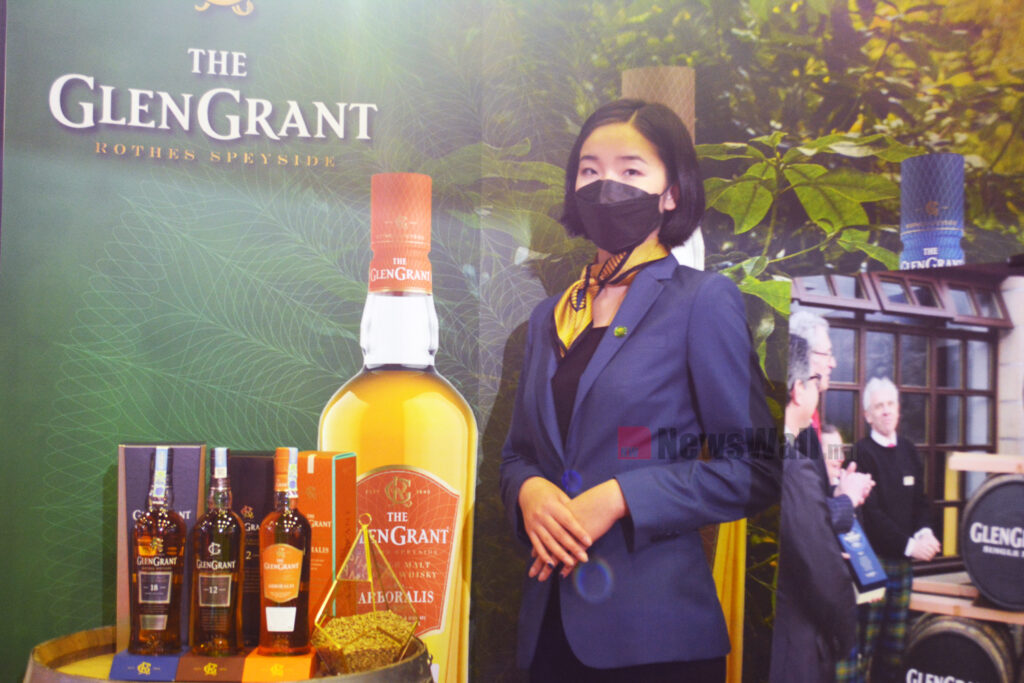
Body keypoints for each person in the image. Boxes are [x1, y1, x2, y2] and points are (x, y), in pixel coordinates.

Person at [499, 99, 779, 682]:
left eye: (631, 170)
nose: (606, 186)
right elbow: (517, 455)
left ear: (671, 193)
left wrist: (621, 496)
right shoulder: (551, 315)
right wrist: (528, 491)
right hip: (547, 631)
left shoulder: (701, 301)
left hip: (655, 642)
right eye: (590, 170)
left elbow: (756, 468)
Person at [838, 377, 940, 683]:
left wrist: (924, 533)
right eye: (878, 406)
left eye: (890, 404)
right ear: (867, 415)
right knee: (864, 649)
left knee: (894, 652)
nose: (886, 411)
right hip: (871, 566)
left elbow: (920, 502)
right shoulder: (860, 453)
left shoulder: (909, 450)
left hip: (902, 568)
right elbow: (871, 515)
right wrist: (911, 546)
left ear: (898, 409)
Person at [770, 336, 857, 683]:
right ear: (797, 390)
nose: (819, 391)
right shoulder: (791, 464)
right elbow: (821, 569)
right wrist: (847, 635)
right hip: (790, 650)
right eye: (815, 381)